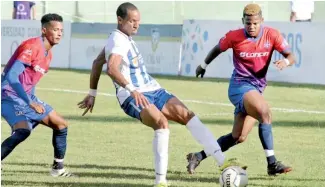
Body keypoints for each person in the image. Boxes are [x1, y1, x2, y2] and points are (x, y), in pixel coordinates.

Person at [77, 2, 243, 187]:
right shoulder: (117, 40)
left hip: (153, 89)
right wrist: (132, 90)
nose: (136, 25)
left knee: (188, 116)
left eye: (138, 21)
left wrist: (92, 93)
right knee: (162, 124)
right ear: (120, 20)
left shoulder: (122, 38)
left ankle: (222, 162)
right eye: (132, 21)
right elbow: (112, 69)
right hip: (132, 95)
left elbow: (96, 62)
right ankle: (161, 181)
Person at [187, 3, 294, 176]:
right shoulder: (234, 36)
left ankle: (197, 156)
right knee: (264, 112)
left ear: (262, 21)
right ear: (242, 21)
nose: (251, 27)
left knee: (238, 137)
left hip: (256, 90)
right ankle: (272, 164)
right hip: (239, 86)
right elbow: (217, 49)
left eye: (255, 23)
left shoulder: (272, 35)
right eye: (248, 23)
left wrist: (286, 62)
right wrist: (203, 65)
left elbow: (291, 55)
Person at [1, 13, 73, 177]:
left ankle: (57, 169)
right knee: (23, 131)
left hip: (25, 97)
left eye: (61, 30)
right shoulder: (32, 46)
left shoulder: (49, 54)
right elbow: (12, 76)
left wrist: (31, 102)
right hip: (8, 95)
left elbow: (30, 82)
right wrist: (29, 103)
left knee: (61, 125)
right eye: (55, 30)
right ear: (44, 30)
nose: (60, 33)